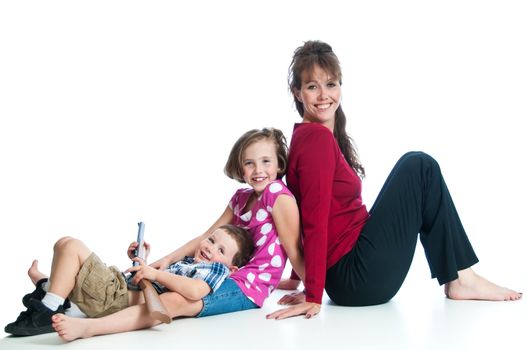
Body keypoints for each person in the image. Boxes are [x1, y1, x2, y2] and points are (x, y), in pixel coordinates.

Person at [267, 40, 522, 320]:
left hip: (352, 271)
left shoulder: (311, 136)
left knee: (416, 166)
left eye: (331, 84)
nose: (324, 95)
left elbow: (303, 213)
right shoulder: (316, 140)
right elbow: (313, 219)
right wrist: (314, 293)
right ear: (298, 93)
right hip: (357, 277)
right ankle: (461, 278)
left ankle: (460, 277)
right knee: (419, 166)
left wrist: (299, 278)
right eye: (312, 86)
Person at [46, 127, 303, 341]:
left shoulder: (277, 196)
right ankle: (65, 290)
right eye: (249, 163)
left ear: (279, 163)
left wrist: (312, 293)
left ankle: (89, 328)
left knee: (178, 301)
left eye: (266, 161)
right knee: (173, 283)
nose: (258, 170)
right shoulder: (241, 198)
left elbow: (293, 249)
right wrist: (166, 260)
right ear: (240, 166)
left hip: (248, 285)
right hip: (233, 271)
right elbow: (207, 234)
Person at [5, 224, 254, 336]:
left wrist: (155, 273)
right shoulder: (190, 263)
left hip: (116, 296)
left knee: (71, 246)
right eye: (211, 240)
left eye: (221, 250)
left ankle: (46, 308)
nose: (211, 249)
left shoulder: (215, 272)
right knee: (63, 244)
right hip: (118, 284)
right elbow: (152, 280)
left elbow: (195, 290)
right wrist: (141, 260)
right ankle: (51, 290)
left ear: (231, 268)